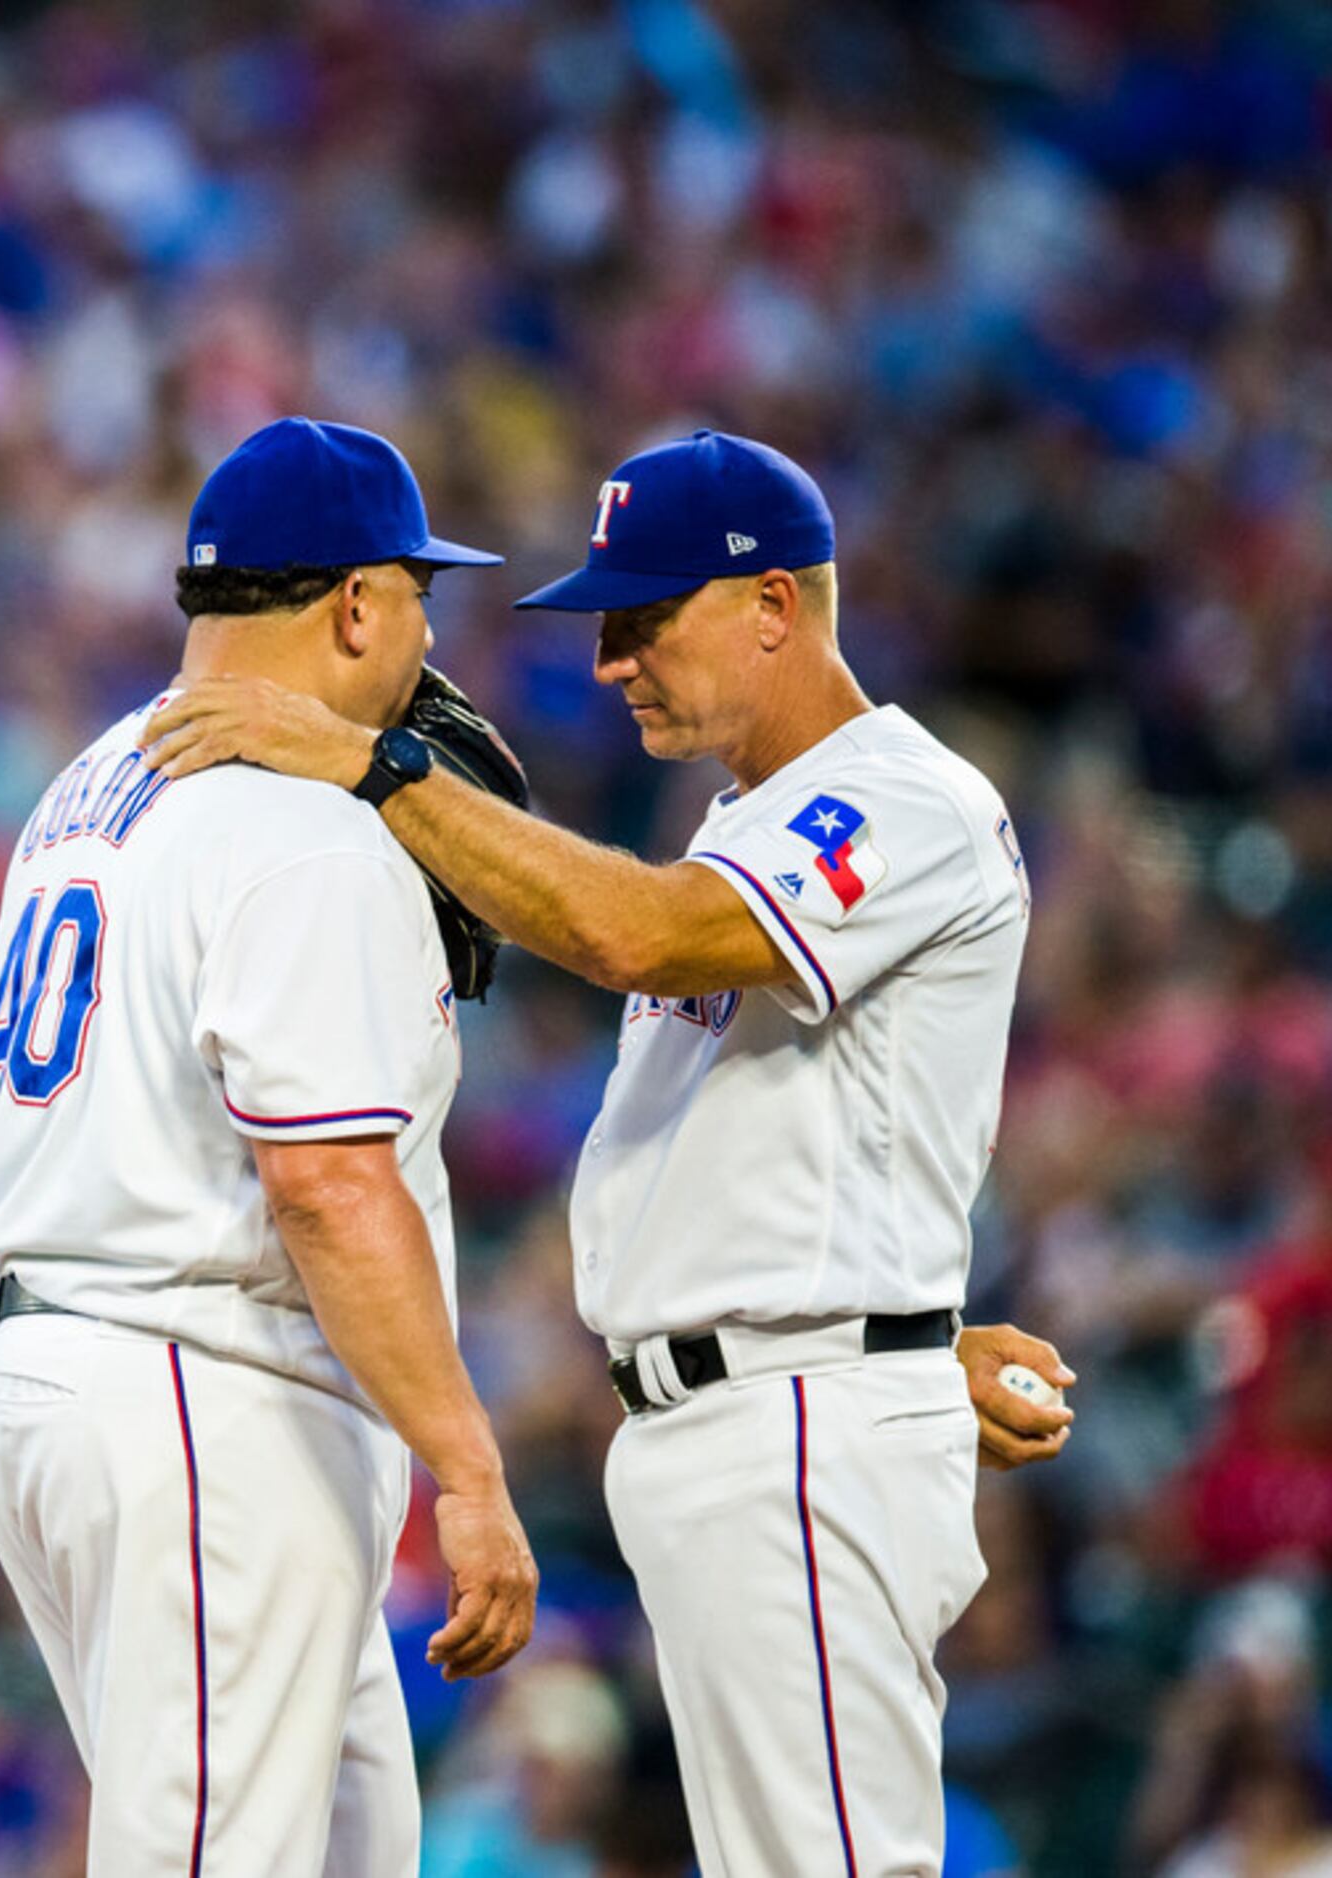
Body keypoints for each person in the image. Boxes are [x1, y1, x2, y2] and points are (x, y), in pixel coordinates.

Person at [142, 429, 1075, 1877]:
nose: (608, 658)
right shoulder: (744, 822)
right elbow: (792, 1143)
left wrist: (374, 768)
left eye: (645, 616)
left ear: (771, 604)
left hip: (796, 1430)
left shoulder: (898, 793)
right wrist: (901, 1333)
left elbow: (634, 932)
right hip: (759, 1409)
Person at [0, 417, 539, 1876]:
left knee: (342, 1841)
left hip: (67, 1360)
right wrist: (467, 1466)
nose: (424, 632)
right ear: (350, 603)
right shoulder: (309, 827)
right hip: (197, 1386)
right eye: (415, 593)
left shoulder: (87, 780)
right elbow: (329, 1183)